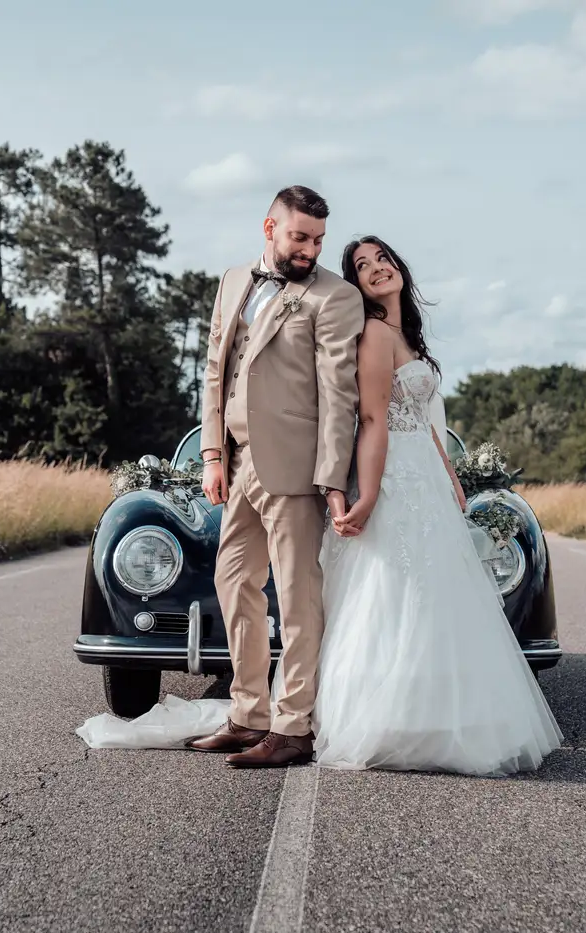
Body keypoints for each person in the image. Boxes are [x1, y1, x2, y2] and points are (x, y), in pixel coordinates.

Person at [310, 235, 563, 776]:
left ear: (399, 267)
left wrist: (451, 478)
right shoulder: (375, 335)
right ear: (356, 284)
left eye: (382, 258)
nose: (376, 269)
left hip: (424, 473)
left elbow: (427, 425)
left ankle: (434, 717)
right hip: (393, 475)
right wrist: (371, 494)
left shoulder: (407, 338)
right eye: (362, 266)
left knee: (438, 594)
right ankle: (384, 719)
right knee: (395, 589)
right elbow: (374, 420)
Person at [182, 185, 365, 768]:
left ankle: (293, 726)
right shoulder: (235, 281)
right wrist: (213, 455)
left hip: (295, 467)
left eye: (317, 240)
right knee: (233, 583)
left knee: (296, 597)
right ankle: (247, 714)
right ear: (270, 228)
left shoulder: (334, 298)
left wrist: (333, 477)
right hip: (236, 462)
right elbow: (214, 371)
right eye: (299, 237)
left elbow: (340, 396)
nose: (310, 249)